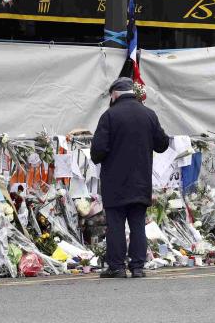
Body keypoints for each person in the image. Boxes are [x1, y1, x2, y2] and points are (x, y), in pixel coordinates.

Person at [91, 77, 170, 278]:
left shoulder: (109, 116)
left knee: (116, 225)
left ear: (114, 94)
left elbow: (97, 152)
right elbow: (162, 144)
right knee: (137, 224)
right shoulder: (149, 114)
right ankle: (137, 267)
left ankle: (116, 267)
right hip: (141, 181)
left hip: (115, 183)